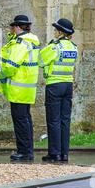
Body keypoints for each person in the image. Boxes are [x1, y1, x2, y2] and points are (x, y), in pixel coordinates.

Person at [0, 15, 40, 162]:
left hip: (18, 88)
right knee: (26, 120)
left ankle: (24, 152)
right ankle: (27, 150)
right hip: (26, 88)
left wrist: (1, 74)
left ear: (17, 27)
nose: (11, 30)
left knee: (21, 121)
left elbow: (11, 66)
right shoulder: (31, 41)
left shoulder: (20, 44)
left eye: (12, 27)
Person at [39, 18, 78, 163]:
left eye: (56, 30)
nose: (55, 32)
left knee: (53, 120)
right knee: (65, 120)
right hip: (68, 85)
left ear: (61, 32)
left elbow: (40, 61)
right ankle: (64, 153)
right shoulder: (74, 47)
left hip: (54, 85)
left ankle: (54, 153)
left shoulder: (55, 47)